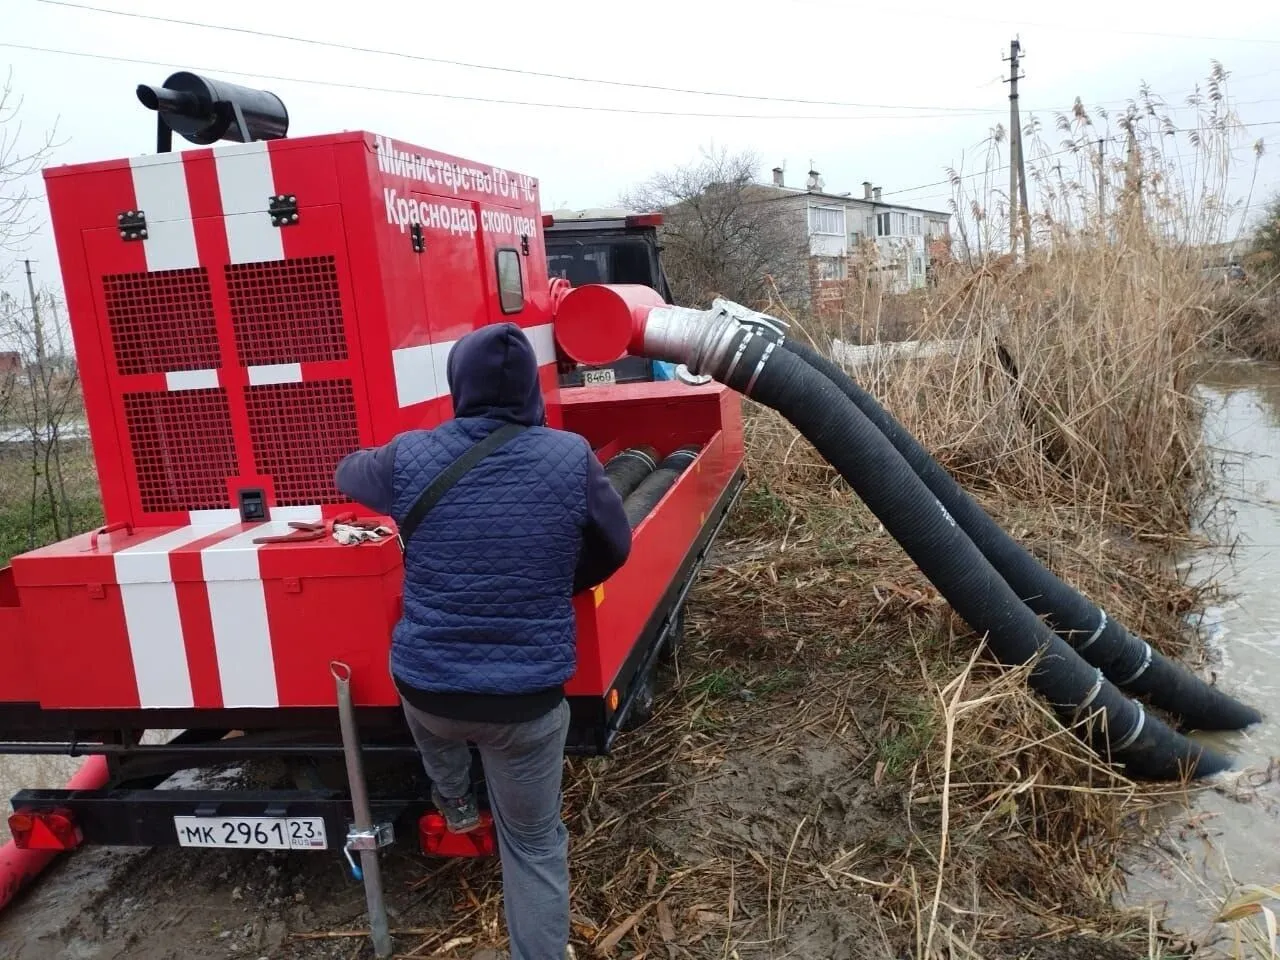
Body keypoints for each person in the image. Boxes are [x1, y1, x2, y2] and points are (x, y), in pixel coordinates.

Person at [333, 322, 632, 960]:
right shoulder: (569, 456)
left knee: (434, 723)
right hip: (524, 702)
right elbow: (616, 546)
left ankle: (456, 801)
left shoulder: (409, 456)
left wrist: (376, 452)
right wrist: (562, 580)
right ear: (530, 387)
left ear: (457, 384)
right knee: (534, 843)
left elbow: (348, 474)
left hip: (428, 687)